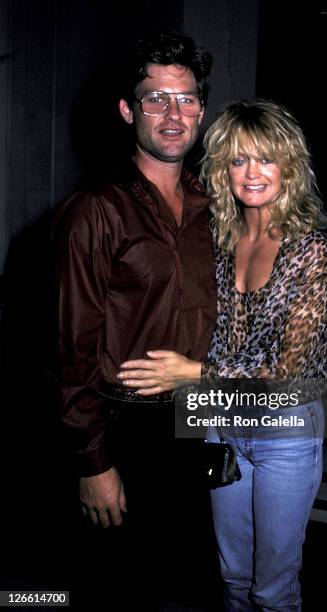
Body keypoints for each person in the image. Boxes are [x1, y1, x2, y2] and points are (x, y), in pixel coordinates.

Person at [118, 99, 327, 611]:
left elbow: (294, 373)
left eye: (265, 158)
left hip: (285, 432)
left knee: (274, 589)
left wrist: (194, 372)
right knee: (234, 577)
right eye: (238, 160)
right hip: (223, 424)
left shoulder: (309, 250)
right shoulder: (220, 236)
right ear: (222, 169)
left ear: (289, 165)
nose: (252, 172)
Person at [52, 31, 217, 607]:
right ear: (128, 110)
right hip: (123, 431)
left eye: (187, 98)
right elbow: (69, 349)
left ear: (201, 109)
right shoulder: (95, 210)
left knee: (188, 587)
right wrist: (91, 462)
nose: (174, 114)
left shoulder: (214, 209)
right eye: (155, 99)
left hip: (201, 424)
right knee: (113, 591)